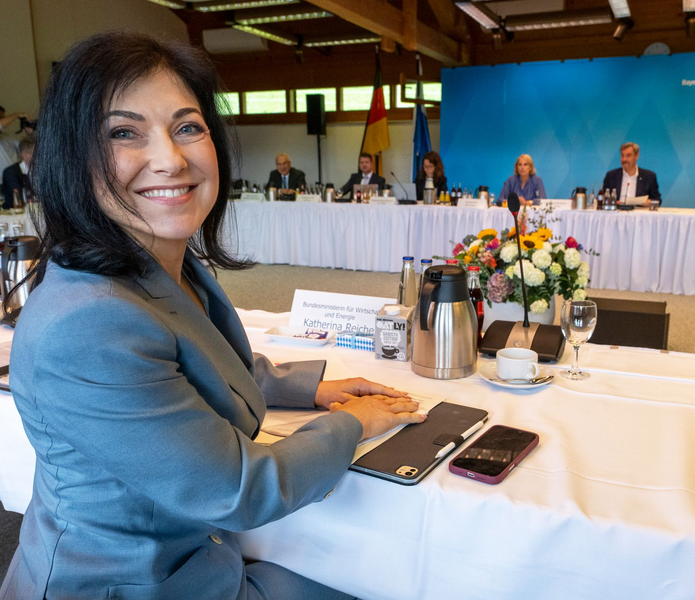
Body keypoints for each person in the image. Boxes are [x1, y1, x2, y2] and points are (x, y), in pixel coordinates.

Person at [0, 31, 425, 600]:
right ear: (71, 158)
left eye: (187, 127)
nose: (171, 159)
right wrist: (354, 424)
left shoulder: (161, 265)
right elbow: (239, 488)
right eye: (125, 133)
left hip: (204, 563)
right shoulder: (87, 324)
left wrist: (311, 388)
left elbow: (185, 361)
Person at [1, 138, 33, 208]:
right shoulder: (10, 172)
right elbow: (18, 196)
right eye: (35, 153)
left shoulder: (38, 171)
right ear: (25, 155)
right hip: (14, 214)